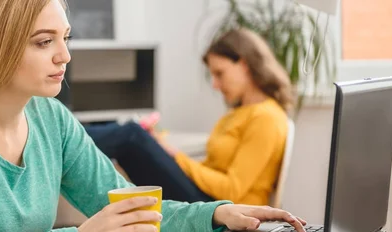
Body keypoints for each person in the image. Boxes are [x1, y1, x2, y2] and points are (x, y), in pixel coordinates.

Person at [0, 1, 306, 232]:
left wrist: (215, 214)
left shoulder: (51, 119)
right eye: (43, 41)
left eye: (64, 38)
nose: (64, 56)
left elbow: (126, 208)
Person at [84, 28, 293, 206]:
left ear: (245, 65)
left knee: (131, 135)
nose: (215, 84)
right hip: (208, 199)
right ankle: (64, 142)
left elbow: (232, 190)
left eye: (220, 73)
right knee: (130, 138)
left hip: (223, 209)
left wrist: (175, 156)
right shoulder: (238, 114)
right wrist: (163, 151)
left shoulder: (267, 118)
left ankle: (59, 135)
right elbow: (212, 170)